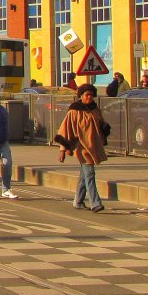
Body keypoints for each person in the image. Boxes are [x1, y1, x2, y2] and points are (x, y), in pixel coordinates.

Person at [56, 83, 108, 212]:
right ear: (81, 96)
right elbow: (64, 130)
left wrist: (105, 130)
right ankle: (95, 203)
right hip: (81, 148)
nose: (89, 97)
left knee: (84, 176)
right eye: (87, 95)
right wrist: (63, 149)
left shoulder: (95, 109)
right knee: (90, 174)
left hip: (93, 147)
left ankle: (78, 201)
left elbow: (101, 125)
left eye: (91, 95)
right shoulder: (74, 111)